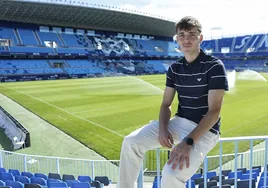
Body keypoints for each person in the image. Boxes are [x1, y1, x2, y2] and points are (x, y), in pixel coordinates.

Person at [117, 16, 229, 188]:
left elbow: (214, 112)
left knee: (171, 175)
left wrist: (188, 142)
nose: (186, 39)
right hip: (178, 122)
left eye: (191, 34)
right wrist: (163, 130)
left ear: (200, 38)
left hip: (205, 130)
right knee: (130, 142)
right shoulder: (174, 69)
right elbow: (165, 104)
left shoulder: (214, 66)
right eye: (181, 35)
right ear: (177, 39)